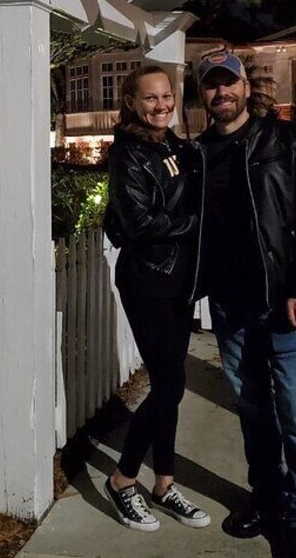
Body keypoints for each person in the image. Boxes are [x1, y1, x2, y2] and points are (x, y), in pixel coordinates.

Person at [193, 52, 296, 557]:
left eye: (228, 82)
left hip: (285, 305)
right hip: (232, 310)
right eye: (211, 86)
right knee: (254, 413)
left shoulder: (292, 140)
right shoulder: (199, 154)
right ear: (201, 94)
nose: (221, 93)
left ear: (245, 87)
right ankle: (268, 497)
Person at [101, 64, 211, 532]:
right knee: (168, 385)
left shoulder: (180, 148)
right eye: (150, 98)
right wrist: (195, 224)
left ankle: (164, 484)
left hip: (180, 281)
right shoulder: (127, 154)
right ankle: (124, 480)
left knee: (172, 384)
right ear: (132, 102)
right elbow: (141, 223)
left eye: (166, 96)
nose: (161, 104)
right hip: (148, 278)